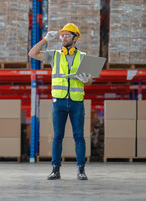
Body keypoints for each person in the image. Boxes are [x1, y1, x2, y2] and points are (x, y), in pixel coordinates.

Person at [28, 23, 92, 180]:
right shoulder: (55, 55)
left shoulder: (84, 56)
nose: (63, 38)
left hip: (77, 101)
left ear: (75, 38)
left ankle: (81, 170)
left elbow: (89, 81)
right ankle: (55, 170)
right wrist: (44, 39)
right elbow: (32, 53)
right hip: (59, 102)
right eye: (62, 35)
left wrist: (86, 79)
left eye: (67, 35)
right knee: (57, 136)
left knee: (79, 136)